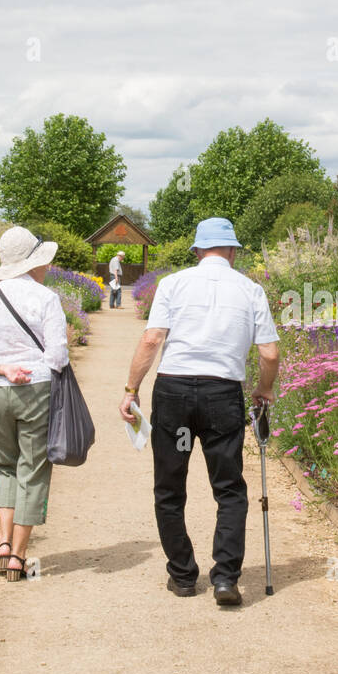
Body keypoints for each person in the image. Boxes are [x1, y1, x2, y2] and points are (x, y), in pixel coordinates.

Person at [119, 217, 280, 606]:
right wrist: (263, 389)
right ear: (232, 251)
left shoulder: (174, 284)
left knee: (169, 486)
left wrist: (131, 389)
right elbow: (270, 352)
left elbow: (152, 338)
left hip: (174, 391)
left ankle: (183, 575)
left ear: (196, 251)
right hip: (221, 394)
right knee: (229, 488)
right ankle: (225, 579)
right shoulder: (250, 289)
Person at [0, 226, 70, 582]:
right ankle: (19, 558)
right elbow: (58, 355)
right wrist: (31, 370)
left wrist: (1, 368)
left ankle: (3, 544)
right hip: (34, 389)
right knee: (33, 469)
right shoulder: (46, 298)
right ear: (33, 263)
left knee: (5, 465)